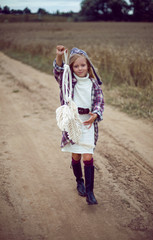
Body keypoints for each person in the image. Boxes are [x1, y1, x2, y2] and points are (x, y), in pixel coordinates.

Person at [53, 45, 104, 205]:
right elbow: (58, 70)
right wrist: (59, 56)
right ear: (71, 67)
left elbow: (99, 101)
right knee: (76, 155)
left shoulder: (93, 83)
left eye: (83, 65)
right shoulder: (67, 80)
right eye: (76, 66)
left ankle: (90, 192)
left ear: (88, 66)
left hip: (88, 122)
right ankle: (79, 181)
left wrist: (95, 114)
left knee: (88, 156)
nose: (80, 68)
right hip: (73, 122)